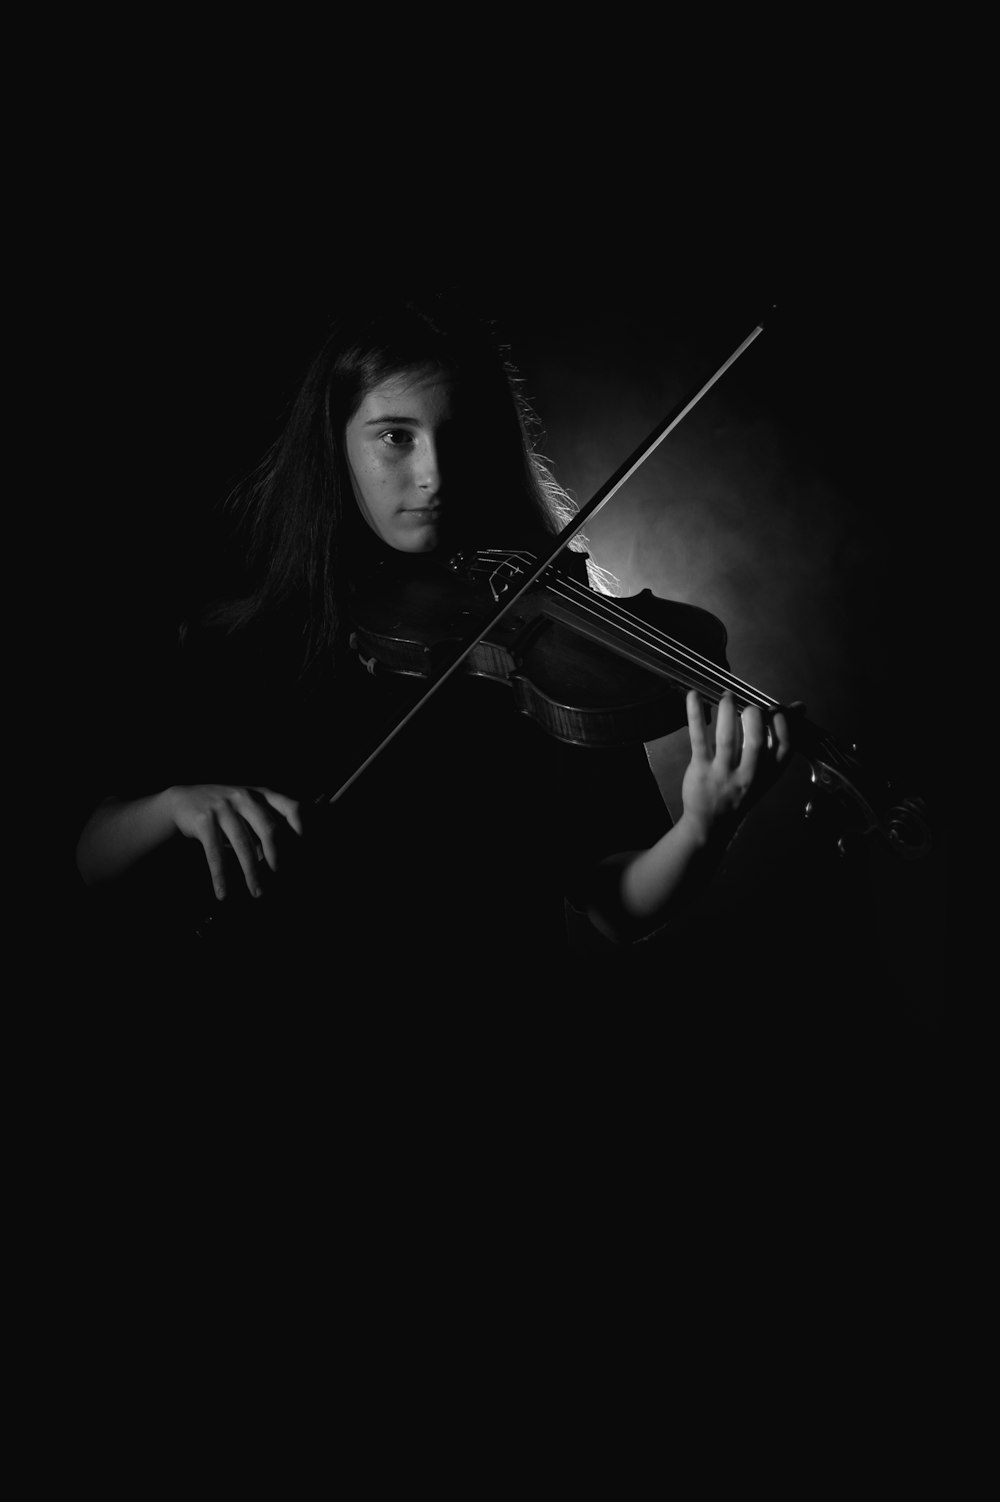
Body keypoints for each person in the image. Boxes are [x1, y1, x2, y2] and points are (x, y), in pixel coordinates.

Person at [73, 293, 791, 1025]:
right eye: (395, 437)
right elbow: (89, 856)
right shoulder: (244, 642)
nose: (434, 473)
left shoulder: (545, 646)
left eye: (458, 433)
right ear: (337, 442)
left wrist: (703, 827)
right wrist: (170, 807)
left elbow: (616, 904)